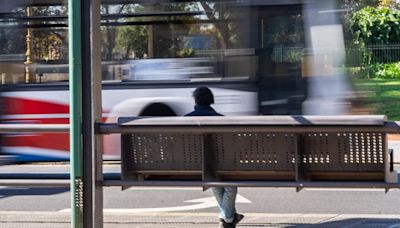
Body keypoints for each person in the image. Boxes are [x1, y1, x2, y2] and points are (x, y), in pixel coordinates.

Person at [185, 86, 244, 228]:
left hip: (192, 166)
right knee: (229, 184)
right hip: (219, 165)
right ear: (211, 100)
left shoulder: (185, 120)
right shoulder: (221, 120)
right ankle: (228, 219)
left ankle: (229, 217)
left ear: (195, 100)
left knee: (214, 181)